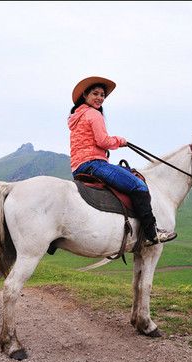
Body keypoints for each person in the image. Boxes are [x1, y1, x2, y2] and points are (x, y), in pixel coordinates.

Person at [68, 76, 177, 245]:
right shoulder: (93, 114)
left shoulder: (77, 117)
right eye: (95, 93)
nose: (99, 98)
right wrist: (120, 141)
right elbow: (103, 141)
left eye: (102, 95)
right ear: (85, 95)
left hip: (78, 167)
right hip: (94, 164)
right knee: (138, 186)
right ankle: (152, 233)